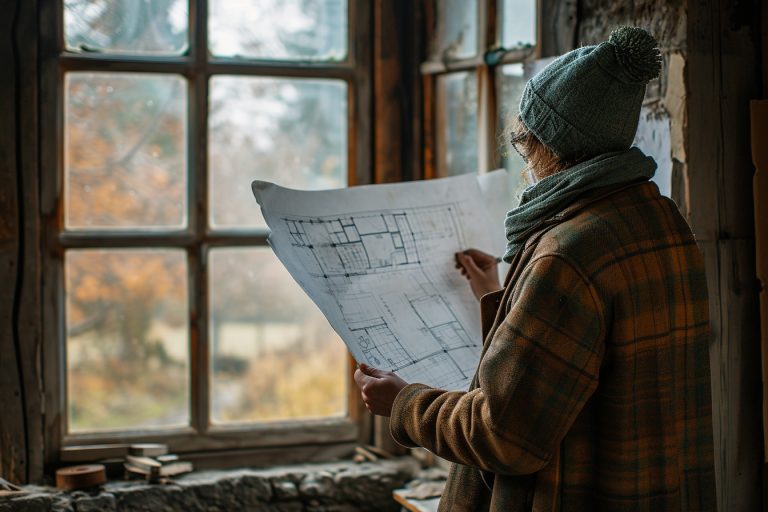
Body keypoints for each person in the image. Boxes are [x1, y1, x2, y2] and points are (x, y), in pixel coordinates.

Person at [353, 26, 715, 511]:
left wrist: (403, 406)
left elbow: (506, 434)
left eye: (526, 145)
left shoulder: (568, 252)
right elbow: (592, 356)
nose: (526, 162)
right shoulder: (657, 218)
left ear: (555, 145)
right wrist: (501, 292)